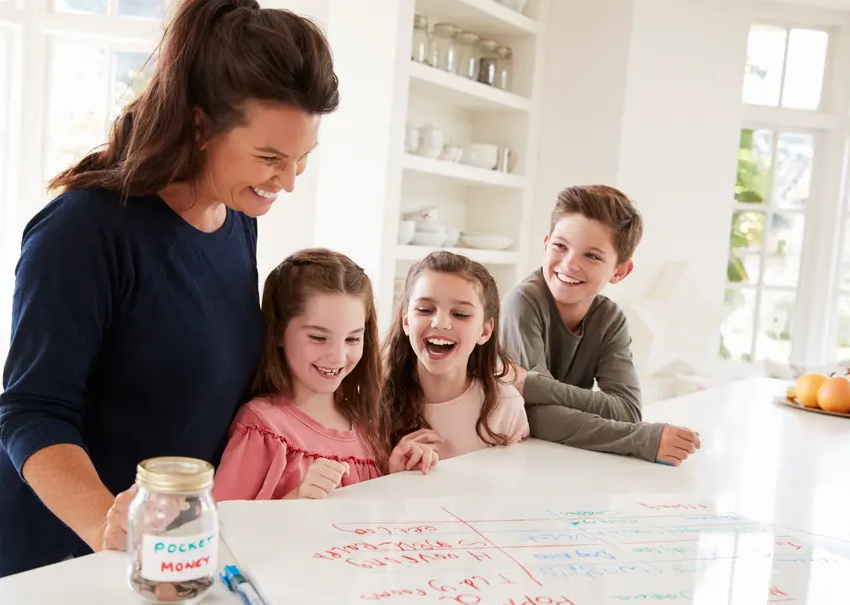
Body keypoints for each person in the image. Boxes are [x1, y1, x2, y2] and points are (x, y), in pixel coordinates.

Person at [0, 0, 341, 579]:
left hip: (171, 541)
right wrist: (106, 525)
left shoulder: (238, 219)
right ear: (200, 126)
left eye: (302, 158)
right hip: (61, 549)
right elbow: (32, 412)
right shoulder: (83, 229)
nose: (289, 182)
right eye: (270, 158)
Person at [212, 249, 438, 500]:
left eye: (352, 339)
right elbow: (221, 519)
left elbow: (369, 514)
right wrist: (294, 499)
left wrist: (395, 475)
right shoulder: (262, 426)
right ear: (277, 332)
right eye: (318, 338)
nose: (337, 357)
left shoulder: (366, 426)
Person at [499, 186, 700, 466]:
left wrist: (534, 385)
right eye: (560, 246)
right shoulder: (523, 302)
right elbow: (533, 416)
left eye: (591, 256)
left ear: (620, 271)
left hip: (561, 457)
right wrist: (640, 440)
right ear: (545, 245)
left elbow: (628, 410)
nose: (569, 264)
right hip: (503, 455)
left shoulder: (609, 319)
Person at [382, 251, 529, 460]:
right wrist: (394, 469)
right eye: (425, 309)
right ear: (406, 321)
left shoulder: (505, 405)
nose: (440, 323)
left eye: (460, 314)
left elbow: (519, 475)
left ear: (485, 331)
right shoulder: (374, 399)